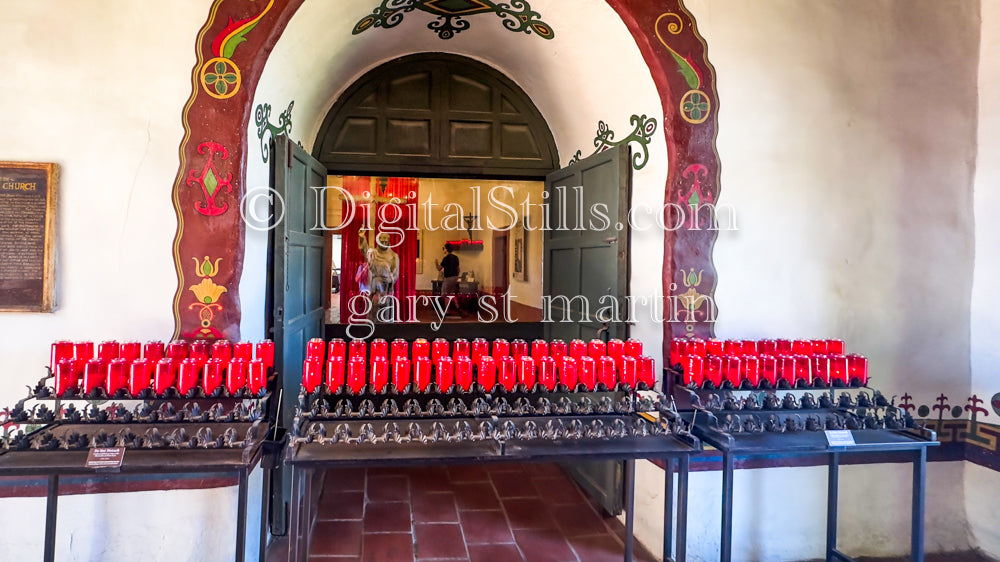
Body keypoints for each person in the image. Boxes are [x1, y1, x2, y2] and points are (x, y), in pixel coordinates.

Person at [358, 231, 399, 320]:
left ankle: (386, 332)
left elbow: (396, 273)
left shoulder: (394, 256)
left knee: (385, 315)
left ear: (389, 242)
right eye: (382, 241)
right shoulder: (373, 253)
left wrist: (390, 280)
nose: (384, 243)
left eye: (386, 241)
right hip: (375, 289)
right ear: (378, 241)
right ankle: (373, 332)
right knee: (373, 315)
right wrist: (362, 237)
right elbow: (365, 251)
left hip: (386, 289)